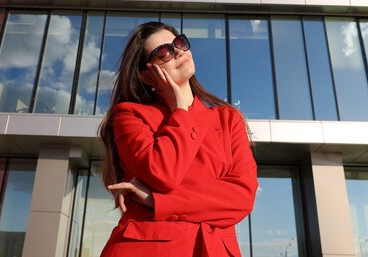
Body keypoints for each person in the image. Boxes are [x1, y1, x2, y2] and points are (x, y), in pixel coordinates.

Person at [98, 21, 258, 257]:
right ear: (146, 74)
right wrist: (180, 110)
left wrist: (156, 200)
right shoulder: (131, 115)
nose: (179, 52)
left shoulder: (228, 119)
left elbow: (242, 197)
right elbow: (163, 173)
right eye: (164, 52)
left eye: (179, 43)